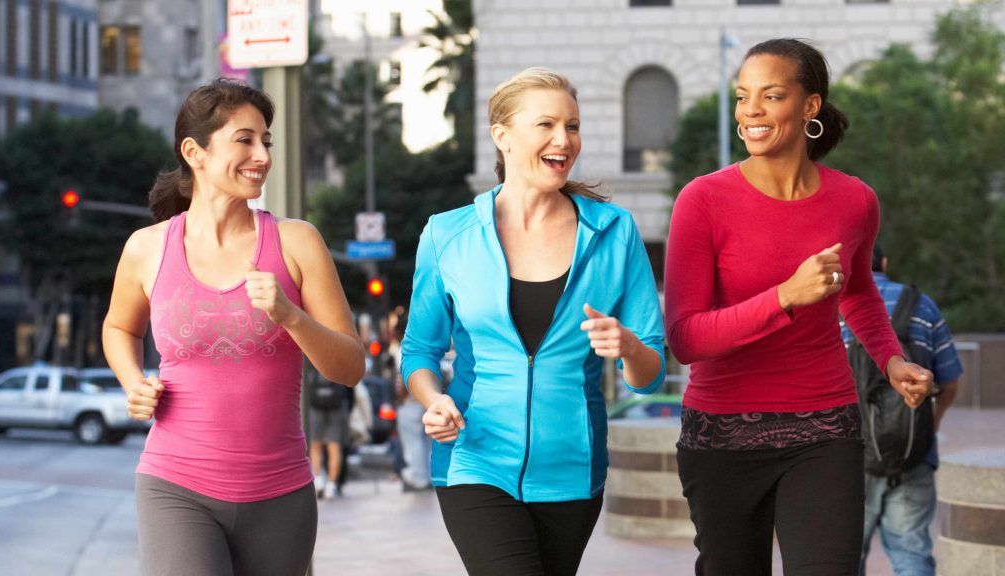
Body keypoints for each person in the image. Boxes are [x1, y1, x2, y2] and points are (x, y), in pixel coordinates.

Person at [664, 39, 935, 576]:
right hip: (722, 434)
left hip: (825, 428)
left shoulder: (855, 199)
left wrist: (892, 360)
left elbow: (856, 291)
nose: (751, 112)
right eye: (743, 97)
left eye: (770, 95)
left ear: (809, 106)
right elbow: (686, 337)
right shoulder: (703, 200)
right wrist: (785, 297)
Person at [401, 67, 666, 576]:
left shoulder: (614, 232)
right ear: (501, 136)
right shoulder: (447, 235)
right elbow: (420, 351)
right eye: (545, 125)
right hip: (473, 459)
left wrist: (629, 346)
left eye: (572, 126)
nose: (563, 140)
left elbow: (651, 375)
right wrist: (433, 400)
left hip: (573, 469)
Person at [102, 79, 365, 576]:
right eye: (244, 139)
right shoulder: (147, 247)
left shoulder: (297, 242)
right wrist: (133, 381)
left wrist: (291, 316)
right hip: (175, 484)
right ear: (194, 152)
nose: (262, 154)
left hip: (281, 495)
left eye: (266, 140)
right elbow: (119, 327)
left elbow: (349, 368)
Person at [844, 244, 962, 576]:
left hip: (847, 459)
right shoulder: (922, 305)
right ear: (884, 262)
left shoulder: (832, 308)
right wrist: (932, 425)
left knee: (842, 558)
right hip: (912, 455)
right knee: (911, 555)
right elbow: (950, 382)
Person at [390, 318, 433, 492]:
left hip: (410, 402)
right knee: (426, 442)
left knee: (412, 441)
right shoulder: (422, 345)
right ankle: (428, 477)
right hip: (424, 401)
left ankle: (419, 479)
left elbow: (406, 375)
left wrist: (402, 398)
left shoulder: (403, 349)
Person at [307, 367, 352, 500]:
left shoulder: (312, 360)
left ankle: (319, 480)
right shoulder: (337, 357)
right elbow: (350, 387)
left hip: (316, 406)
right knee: (335, 447)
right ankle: (331, 486)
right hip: (336, 407)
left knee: (315, 445)